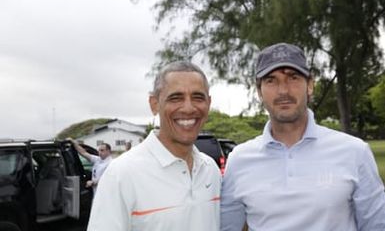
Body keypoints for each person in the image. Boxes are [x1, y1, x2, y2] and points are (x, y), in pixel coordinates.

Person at [220, 43, 385, 231]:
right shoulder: (239, 159)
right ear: (259, 91)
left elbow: (377, 225)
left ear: (310, 85)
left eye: (293, 77)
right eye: (271, 80)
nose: (283, 90)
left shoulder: (355, 151)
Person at [87, 61, 221, 231]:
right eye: (176, 98)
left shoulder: (210, 171)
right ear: (154, 104)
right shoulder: (121, 174)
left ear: (208, 103)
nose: (188, 108)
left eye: (198, 97)